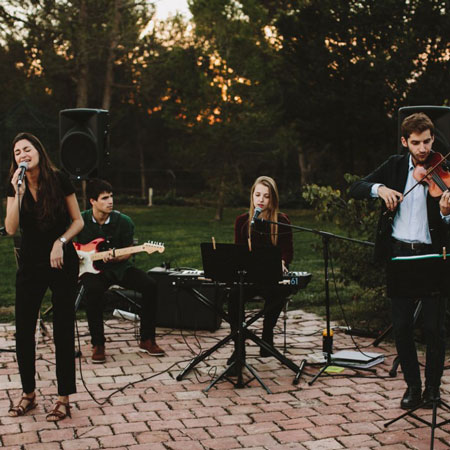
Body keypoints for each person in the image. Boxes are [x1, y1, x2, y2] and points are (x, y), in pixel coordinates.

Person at [349, 112, 450, 409]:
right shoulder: (393, 167)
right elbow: (355, 187)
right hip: (400, 255)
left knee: (434, 328)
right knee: (403, 326)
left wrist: (446, 212)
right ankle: (412, 388)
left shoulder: (443, 169)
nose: (422, 149)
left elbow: (447, 222)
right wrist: (378, 189)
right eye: (416, 143)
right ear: (405, 141)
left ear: (433, 139)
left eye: (427, 142)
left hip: (434, 256)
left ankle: (433, 389)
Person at [5, 132, 83, 421]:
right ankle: (29, 394)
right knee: (24, 329)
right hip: (31, 262)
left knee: (63, 327)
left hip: (61, 259)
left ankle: (63, 398)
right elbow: (12, 229)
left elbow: (78, 221)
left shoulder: (59, 178)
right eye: (16, 152)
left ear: (38, 150)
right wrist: (17, 192)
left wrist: (60, 243)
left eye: (27, 149)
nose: (22, 154)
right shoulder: (16, 184)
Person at [76, 179, 164, 363]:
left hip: (119, 268)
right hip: (91, 270)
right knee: (92, 292)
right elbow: (70, 245)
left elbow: (128, 249)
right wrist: (78, 257)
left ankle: (147, 339)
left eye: (111, 197)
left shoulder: (123, 222)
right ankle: (98, 343)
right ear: (92, 201)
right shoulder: (80, 220)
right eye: (105, 198)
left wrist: (116, 257)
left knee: (150, 285)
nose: (110, 202)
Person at [228, 175, 293, 361]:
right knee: (234, 296)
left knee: (279, 293)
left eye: (266, 196)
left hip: (271, 277)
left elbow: (288, 252)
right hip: (248, 276)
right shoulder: (242, 221)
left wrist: (281, 262)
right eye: (258, 195)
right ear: (252, 196)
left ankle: (267, 336)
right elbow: (239, 252)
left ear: (273, 199)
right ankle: (238, 345)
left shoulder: (281, 221)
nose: (261, 200)